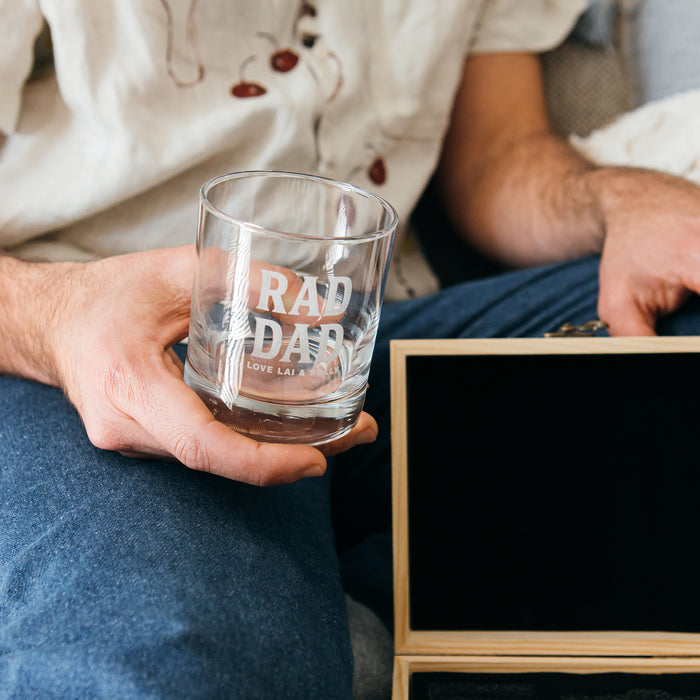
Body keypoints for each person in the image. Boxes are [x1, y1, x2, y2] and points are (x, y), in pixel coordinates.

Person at [3, 1, 700, 697]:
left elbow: (499, 154)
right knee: (178, 667)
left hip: (373, 336)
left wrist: (621, 199)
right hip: (106, 349)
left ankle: (358, 595)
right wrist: (54, 315)